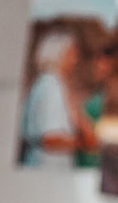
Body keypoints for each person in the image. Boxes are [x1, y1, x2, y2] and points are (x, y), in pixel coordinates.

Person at [20, 31, 80, 167]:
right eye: (71, 54)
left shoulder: (49, 83)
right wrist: (84, 144)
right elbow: (49, 138)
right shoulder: (51, 86)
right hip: (47, 165)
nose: (75, 60)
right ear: (58, 54)